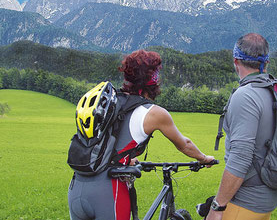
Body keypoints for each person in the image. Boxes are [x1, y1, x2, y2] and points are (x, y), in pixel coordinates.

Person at [68, 49, 214, 220]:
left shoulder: (112, 104)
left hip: (77, 187)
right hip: (108, 192)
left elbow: (109, 142)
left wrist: (127, 158)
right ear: (152, 79)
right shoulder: (154, 113)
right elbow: (184, 144)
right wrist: (204, 159)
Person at [206, 33, 277, 220]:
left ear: (236, 60)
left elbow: (240, 157)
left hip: (245, 202)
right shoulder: (273, 91)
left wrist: (217, 206)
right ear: (266, 63)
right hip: (268, 197)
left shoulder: (245, 96)